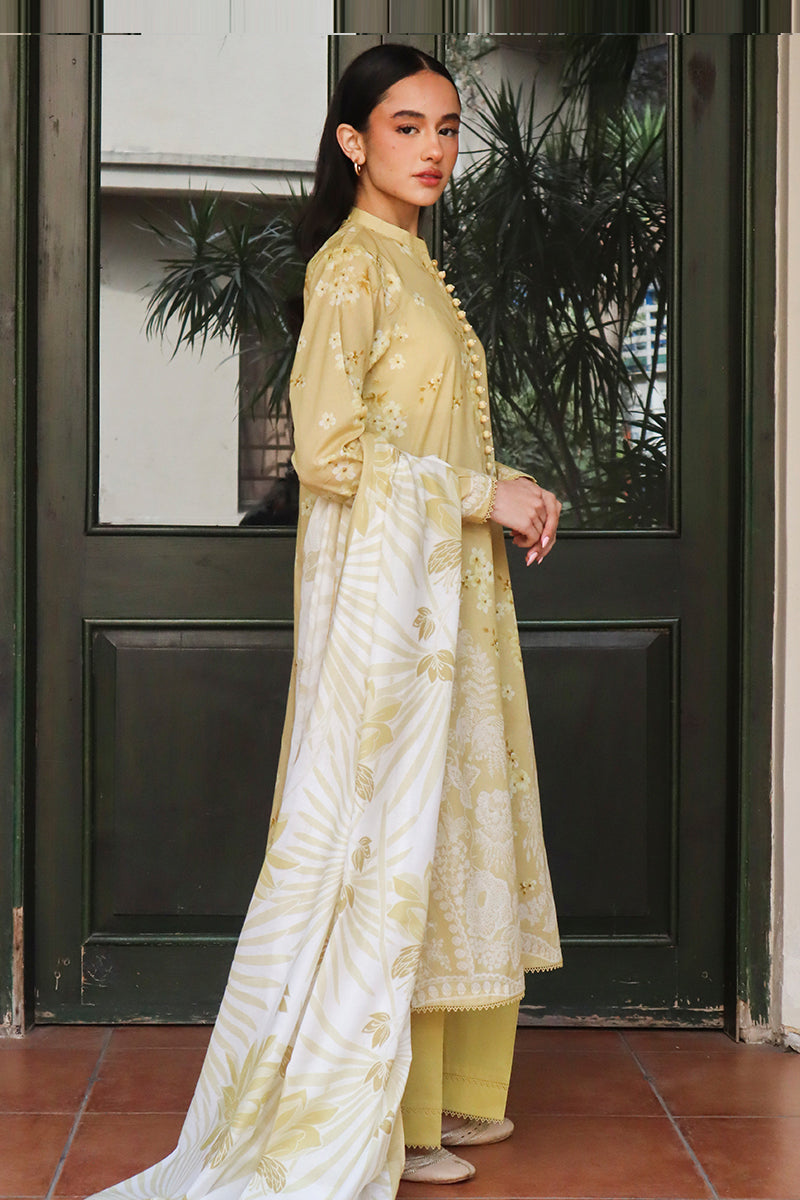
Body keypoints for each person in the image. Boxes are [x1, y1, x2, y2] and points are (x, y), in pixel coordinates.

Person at [87, 43, 561, 1200]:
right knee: (384, 828)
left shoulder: (411, 261)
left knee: (439, 820)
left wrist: (509, 485)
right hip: (385, 607)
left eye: (446, 128)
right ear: (353, 142)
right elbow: (332, 453)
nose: (433, 149)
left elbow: (426, 433)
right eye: (406, 126)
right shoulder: (350, 267)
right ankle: (375, 1106)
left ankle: (436, 1093)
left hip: (442, 593)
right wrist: (476, 495)